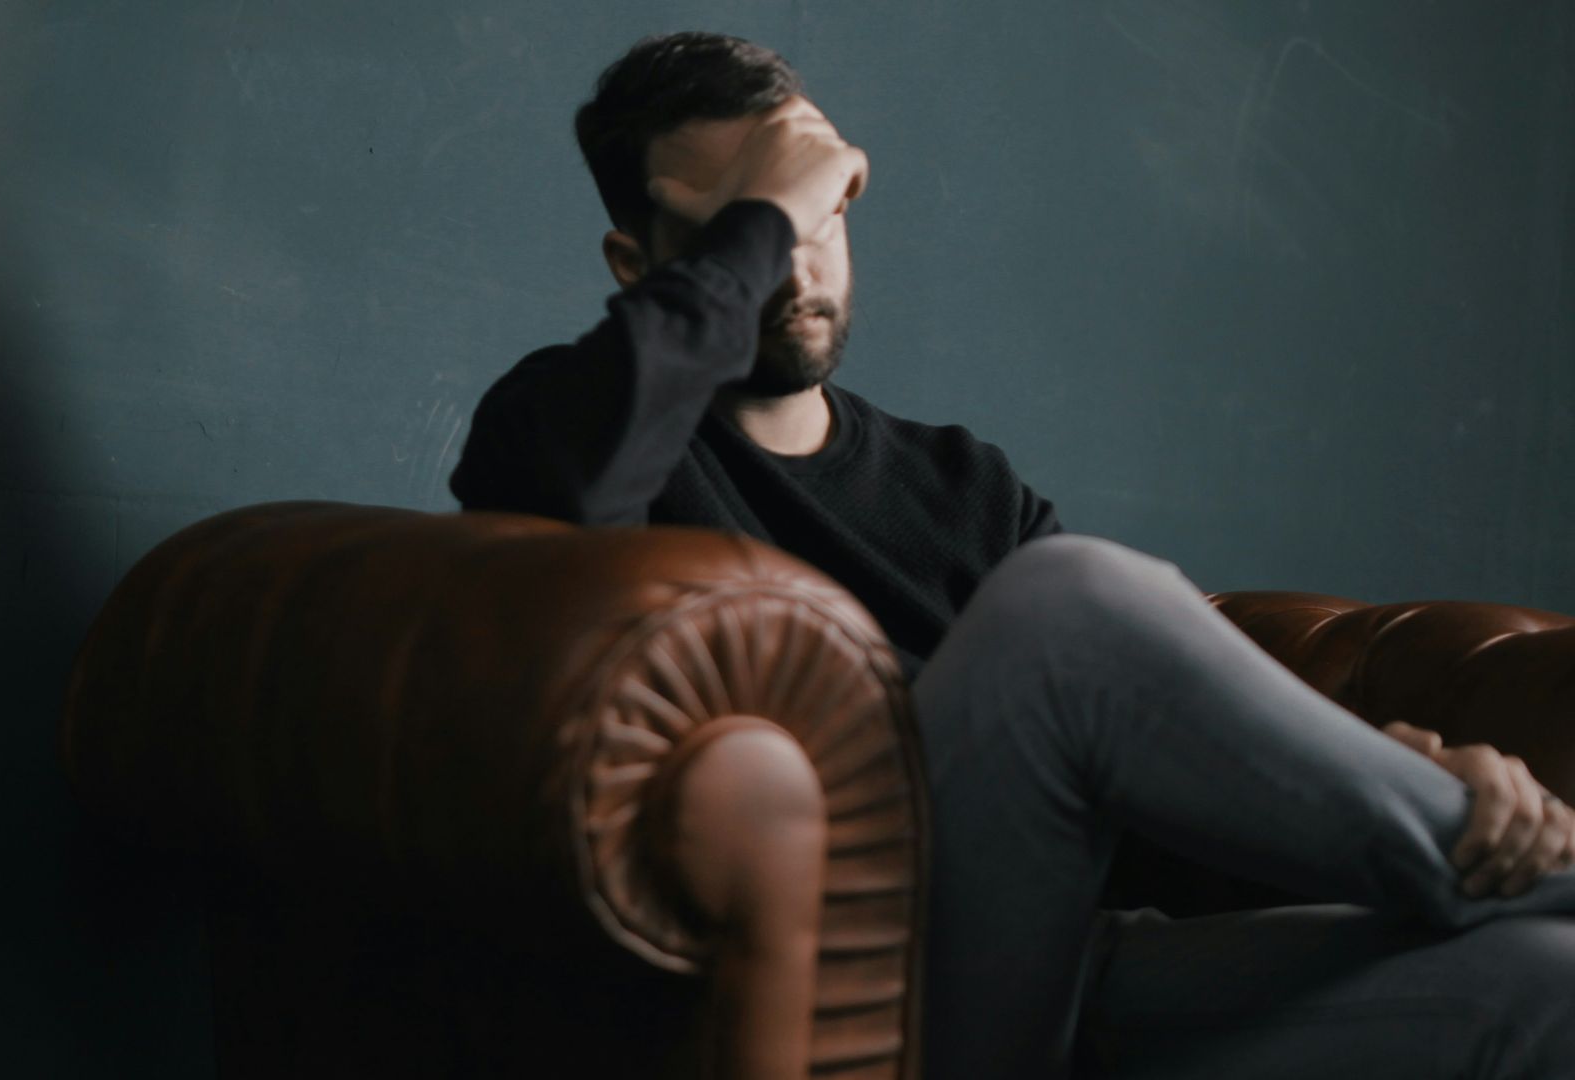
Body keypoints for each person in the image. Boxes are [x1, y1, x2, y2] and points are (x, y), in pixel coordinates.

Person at [448, 31, 1575, 1079]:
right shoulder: (565, 421)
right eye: (753, 226)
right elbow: (572, 494)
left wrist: (1387, 766)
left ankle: (1487, 866)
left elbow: (1149, 797)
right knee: (1068, 599)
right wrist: (776, 206)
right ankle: (1508, 870)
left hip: (1063, 974)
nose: (797, 260)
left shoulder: (959, 483)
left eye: (823, 212)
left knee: (1539, 985)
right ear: (639, 264)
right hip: (857, 1000)